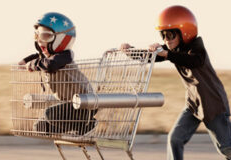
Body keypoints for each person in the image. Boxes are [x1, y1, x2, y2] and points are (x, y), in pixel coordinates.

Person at [120, 5, 231, 160]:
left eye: (170, 34)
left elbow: (193, 60)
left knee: (226, 149)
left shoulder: (197, 48)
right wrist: (130, 51)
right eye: (163, 35)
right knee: (175, 139)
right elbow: (150, 56)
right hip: (193, 104)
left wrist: (167, 54)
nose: (166, 39)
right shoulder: (174, 49)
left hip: (212, 104)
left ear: (184, 32)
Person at [19, 12, 97, 135]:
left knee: (50, 114)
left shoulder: (65, 56)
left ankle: (87, 124)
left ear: (61, 38)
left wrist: (34, 65)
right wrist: (25, 61)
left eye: (45, 36)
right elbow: (39, 56)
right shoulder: (51, 56)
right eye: (37, 36)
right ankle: (76, 127)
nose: (40, 41)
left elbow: (50, 65)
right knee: (40, 127)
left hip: (83, 103)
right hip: (69, 105)